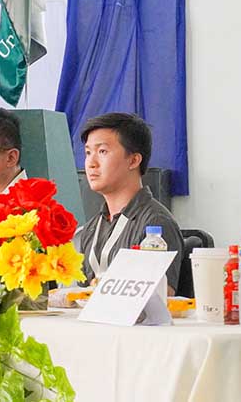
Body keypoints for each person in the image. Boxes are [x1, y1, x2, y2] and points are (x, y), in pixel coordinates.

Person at [75, 113, 183, 295]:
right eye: (88, 153)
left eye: (102, 151)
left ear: (133, 160)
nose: (91, 163)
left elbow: (162, 296)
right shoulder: (91, 228)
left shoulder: (155, 223)